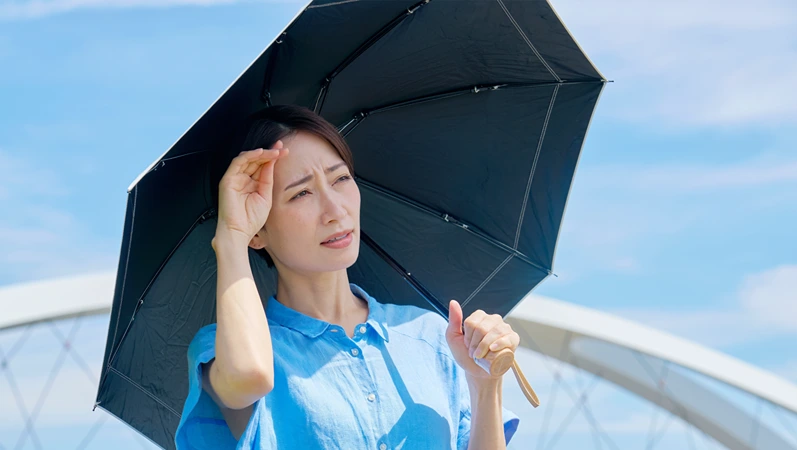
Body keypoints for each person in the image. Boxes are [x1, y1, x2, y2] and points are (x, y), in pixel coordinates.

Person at [174, 105, 520, 449]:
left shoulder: (430, 336)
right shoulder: (228, 348)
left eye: (341, 178)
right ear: (257, 231)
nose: (335, 210)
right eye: (301, 193)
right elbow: (250, 377)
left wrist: (484, 383)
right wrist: (232, 235)